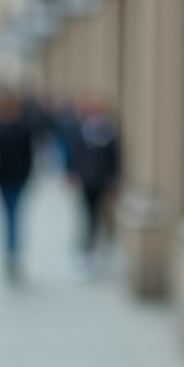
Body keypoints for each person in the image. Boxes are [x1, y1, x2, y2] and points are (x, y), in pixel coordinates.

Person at [0, 88, 37, 281]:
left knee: (9, 216)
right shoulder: (20, 126)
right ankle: (12, 254)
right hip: (11, 178)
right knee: (13, 216)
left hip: (7, 178)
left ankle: (10, 254)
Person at [67, 97, 120, 275]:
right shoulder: (81, 130)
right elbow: (75, 154)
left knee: (99, 216)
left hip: (101, 180)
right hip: (86, 179)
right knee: (88, 215)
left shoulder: (108, 131)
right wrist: (72, 173)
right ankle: (87, 252)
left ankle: (100, 248)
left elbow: (114, 158)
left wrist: (113, 179)